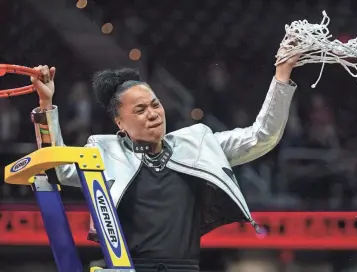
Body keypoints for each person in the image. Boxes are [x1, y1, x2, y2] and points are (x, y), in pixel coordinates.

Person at [29, 54, 299, 272]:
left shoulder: (198, 143)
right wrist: (45, 103)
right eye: (140, 110)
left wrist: (282, 76)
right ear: (119, 123)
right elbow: (57, 168)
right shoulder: (103, 151)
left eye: (155, 104)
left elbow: (262, 136)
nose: (153, 114)